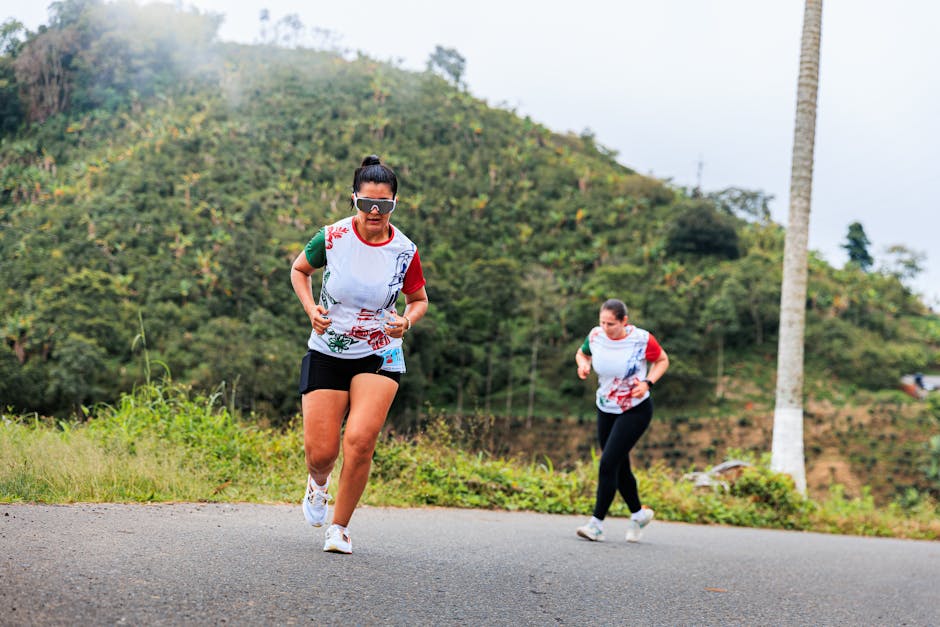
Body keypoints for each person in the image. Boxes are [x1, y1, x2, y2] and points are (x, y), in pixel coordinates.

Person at [290, 155, 428, 554]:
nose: (373, 211)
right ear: (354, 198)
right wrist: (310, 309)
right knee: (321, 453)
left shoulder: (405, 250)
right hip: (329, 349)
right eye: (366, 202)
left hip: (379, 352)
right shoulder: (331, 237)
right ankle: (318, 485)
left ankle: (340, 527)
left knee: (360, 440)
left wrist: (407, 321)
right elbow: (300, 270)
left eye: (383, 205)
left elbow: (418, 300)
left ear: (394, 204)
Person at [574, 299, 669, 543]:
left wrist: (648, 383)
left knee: (607, 463)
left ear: (624, 321)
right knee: (619, 465)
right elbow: (582, 354)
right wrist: (583, 365)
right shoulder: (596, 336)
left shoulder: (641, 339)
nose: (606, 328)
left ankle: (596, 524)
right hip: (606, 408)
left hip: (635, 410)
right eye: (602, 322)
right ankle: (639, 514)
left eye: (612, 324)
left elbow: (662, 360)